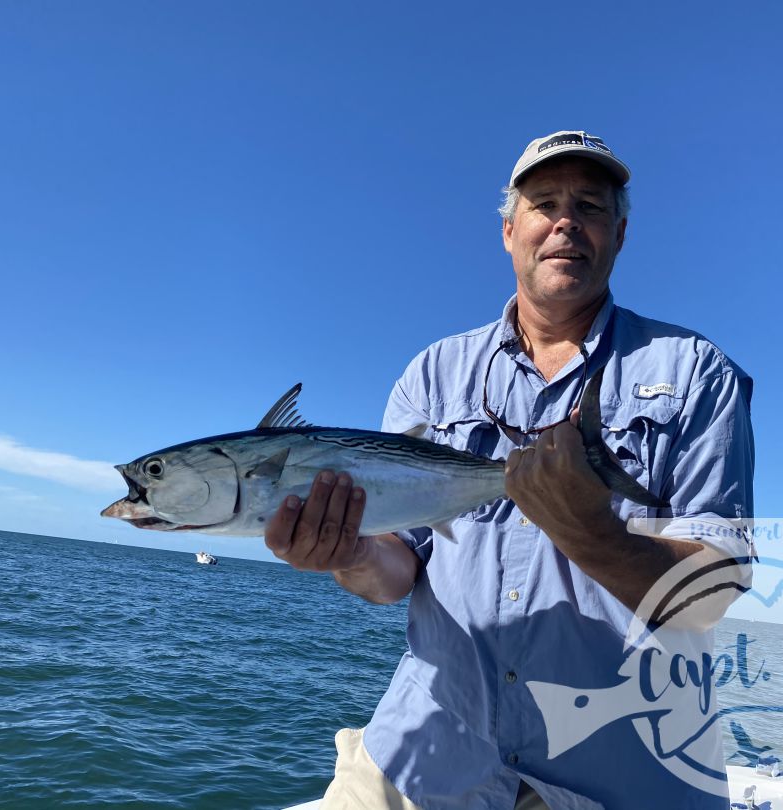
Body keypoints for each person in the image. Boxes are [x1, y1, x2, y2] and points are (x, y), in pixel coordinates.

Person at [265, 130, 755, 809]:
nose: (565, 222)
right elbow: (395, 570)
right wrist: (348, 551)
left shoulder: (696, 373)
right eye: (544, 202)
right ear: (508, 231)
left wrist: (591, 532)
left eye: (589, 205)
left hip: (617, 782)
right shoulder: (431, 374)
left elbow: (712, 592)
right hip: (423, 761)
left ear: (619, 233)